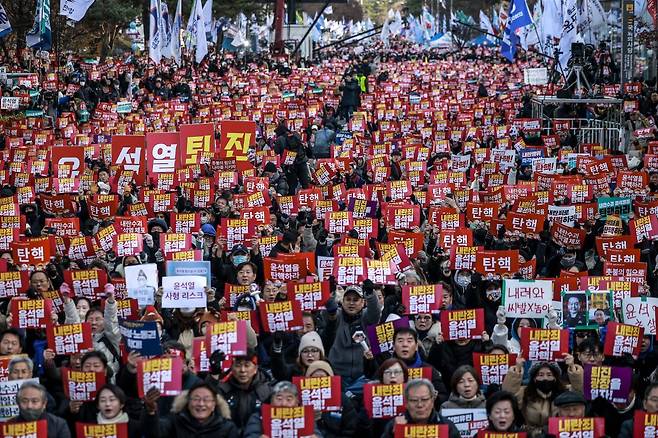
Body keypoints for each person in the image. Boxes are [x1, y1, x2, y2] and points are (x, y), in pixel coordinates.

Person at [502, 356, 583, 431]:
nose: (545, 378)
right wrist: (517, 368)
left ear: (555, 378)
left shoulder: (565, 392)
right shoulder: (524, 392)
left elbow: (579, 390)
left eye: (549, 375)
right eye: (540, 375)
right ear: (534, 378)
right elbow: (508, 394)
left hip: (557, 433)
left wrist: (572, 367)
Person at [323, 280, 381, 385]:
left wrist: (370, 294)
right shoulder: (337, 316)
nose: (351, 303)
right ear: (342, 301)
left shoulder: (366, 318)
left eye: (355, 300)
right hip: (337, 376)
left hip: (362, 376)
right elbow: (329, 314)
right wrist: (330, 295)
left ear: (363, 302)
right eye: (348, 299)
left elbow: (375, 312)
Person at [145, 382, 237, 437]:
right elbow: (154, 433)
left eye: (206, 399)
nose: (201, 404)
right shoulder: (174, 422)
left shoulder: (227, 428)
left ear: (214, 405)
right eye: (196, 399)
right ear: (188, 402)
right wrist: (151, 411)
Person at [381, 379, 461, 438]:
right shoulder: (394, 425)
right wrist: (395, 433)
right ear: (406, 403)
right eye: (414, 400)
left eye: (425, 399)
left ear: (432, 401)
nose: (420, 405)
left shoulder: (446, 426)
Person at [243, 381, 322, 438]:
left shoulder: (305, 417)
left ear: (297, 402)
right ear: (271, 400)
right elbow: (250, 434)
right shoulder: (259, 416)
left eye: (289, 399)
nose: (283, 404)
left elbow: (317, 434)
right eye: (279, 398)